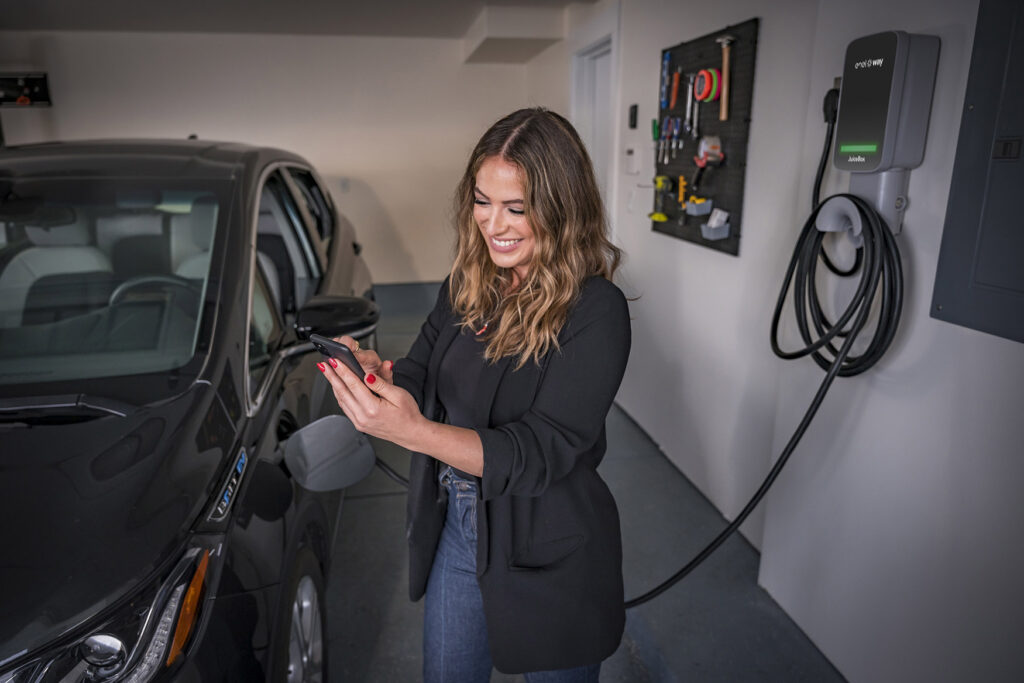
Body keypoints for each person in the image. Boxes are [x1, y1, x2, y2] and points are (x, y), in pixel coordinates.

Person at [317, 107, 631, 681]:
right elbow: (420, 371)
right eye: (482, 201)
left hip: (547, 544)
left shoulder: (596, 312)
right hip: (459, 528)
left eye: (517, 208)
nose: (494, 224)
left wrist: (412, 434)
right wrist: (375, 375)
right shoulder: (469, 284)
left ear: (562, 211)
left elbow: (538, 453)